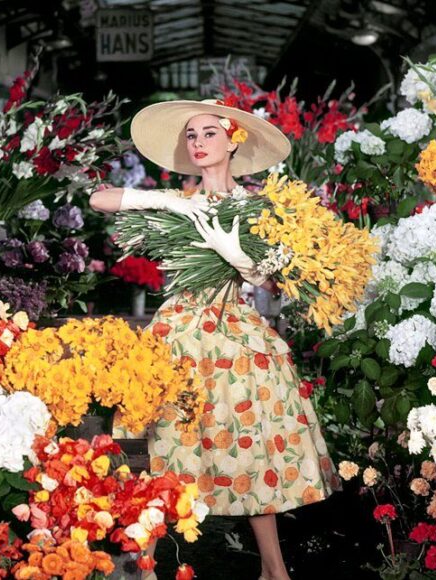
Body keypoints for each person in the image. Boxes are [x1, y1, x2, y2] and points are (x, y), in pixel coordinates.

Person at [90, 99, 340, 580]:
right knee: (170, 445)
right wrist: (166, 201)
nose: (199, 143)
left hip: (234, 330)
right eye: (192, 136)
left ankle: (274, 570)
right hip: (180, 331)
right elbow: (100, 198)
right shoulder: (181, 202)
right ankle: (144, 563)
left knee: (250, 442)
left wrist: (244, 259)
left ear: (232, 141)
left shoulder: (257, 207)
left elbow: (279, 281)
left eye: (208, 134)